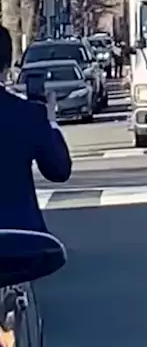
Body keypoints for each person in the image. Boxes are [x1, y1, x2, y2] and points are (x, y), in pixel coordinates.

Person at [0, 27, 72, 233]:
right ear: (6, 66)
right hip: (21, 235)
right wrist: (51, 122)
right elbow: (58, 171)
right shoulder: (28, 113)